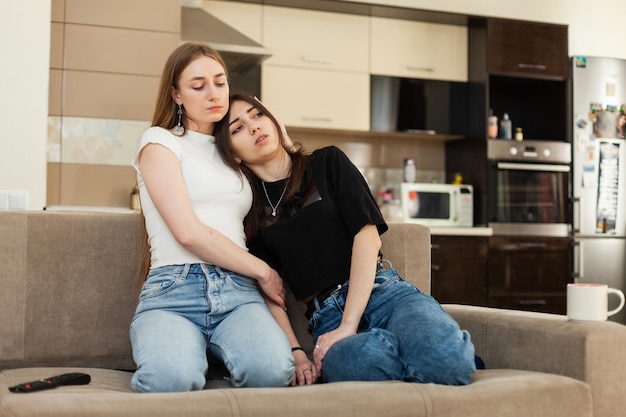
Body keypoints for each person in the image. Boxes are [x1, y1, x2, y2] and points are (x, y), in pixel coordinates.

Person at [215, 94, 477, 385]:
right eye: (237, 128)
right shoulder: (249, 212)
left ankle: (430, 353)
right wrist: (297, 352)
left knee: (448, 362)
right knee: (368, 362)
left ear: (274, 121)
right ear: (233, 153)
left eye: (258, 115)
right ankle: (418, 357)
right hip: (326, 317)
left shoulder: (327, 162)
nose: (253, 127)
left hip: (386, 294)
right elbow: (270, 292)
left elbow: (367, 239)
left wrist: (350, 325)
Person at [129, 44, 301, 393]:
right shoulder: (159, 142)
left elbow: (285, 176)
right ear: (176, 94)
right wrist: (263, 270)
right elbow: (187, 232)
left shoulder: (233, 151)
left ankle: (213, 353)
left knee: (270, 373)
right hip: (175, 290)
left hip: (238, 292)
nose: (213, 94)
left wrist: (283, 139)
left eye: (220, 82)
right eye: (198, 86)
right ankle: (191, 352)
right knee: (170, 379)